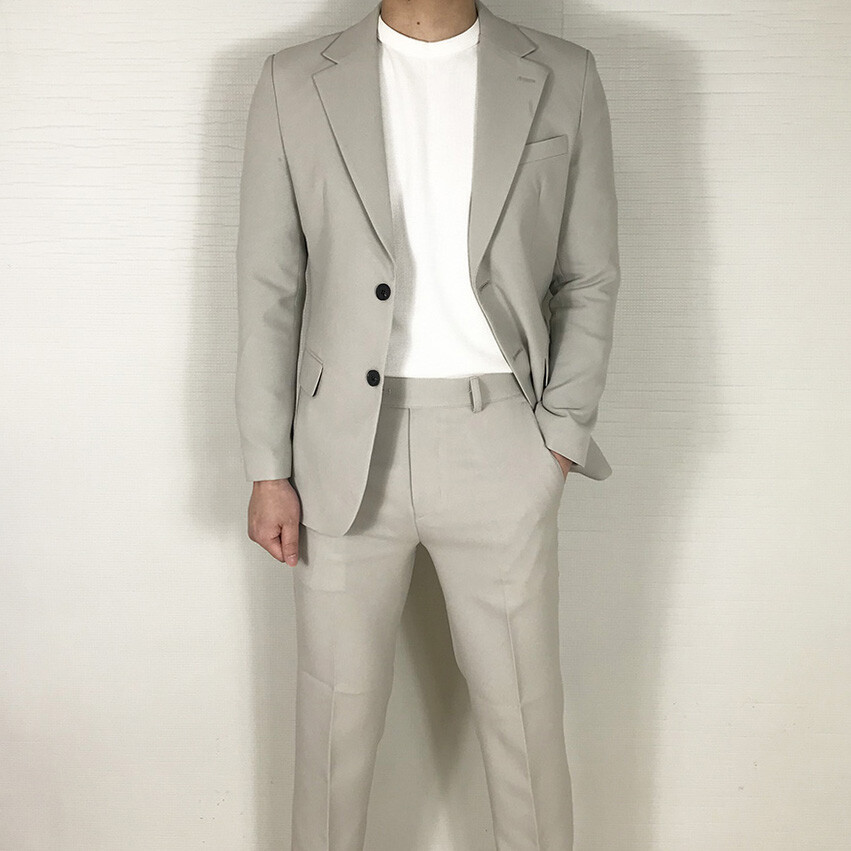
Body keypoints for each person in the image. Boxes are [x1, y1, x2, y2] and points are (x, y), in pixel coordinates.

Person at [235, 0, 620, 847]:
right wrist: (268, 465)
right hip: (341, 451)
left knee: (524, 723)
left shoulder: (564, 75)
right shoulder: (292, 82)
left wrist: (557, 439)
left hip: (502, 441)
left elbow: (588, 275)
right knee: (331, 729)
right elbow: (269, 286)